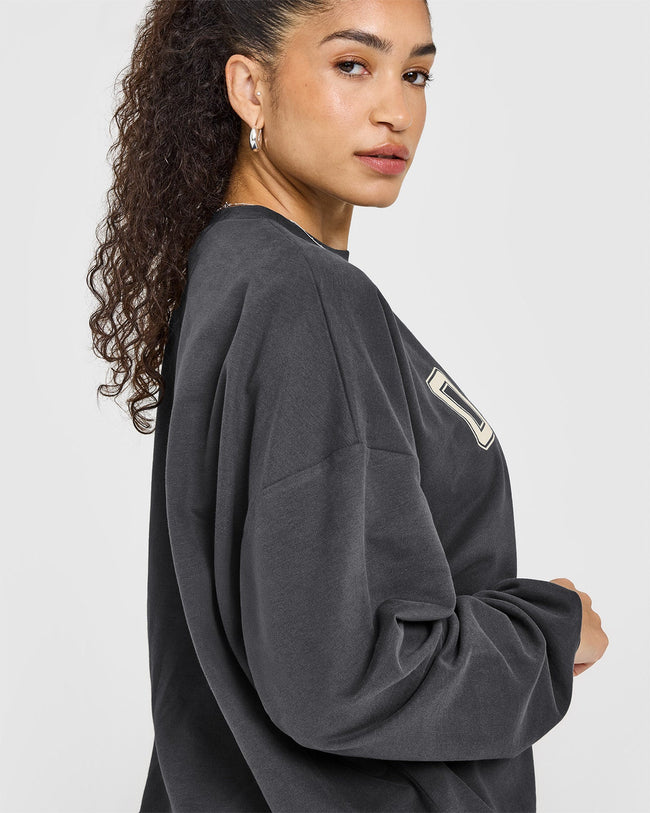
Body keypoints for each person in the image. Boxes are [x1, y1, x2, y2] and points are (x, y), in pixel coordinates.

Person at [87, 0, 608, 810]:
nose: (396, 109)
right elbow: (337, 675)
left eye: (417, 74)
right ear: (250, 89)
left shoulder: (236, 273)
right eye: (353, 65)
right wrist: (548, 631)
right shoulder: (306, 297)